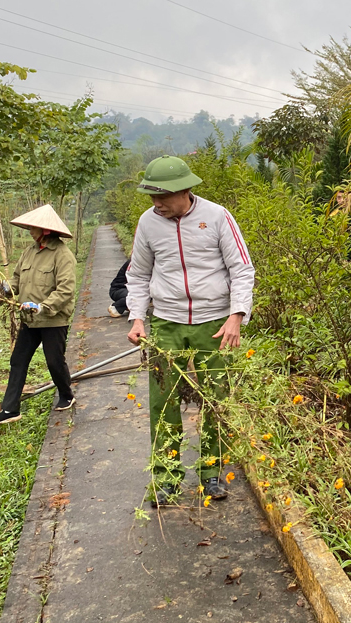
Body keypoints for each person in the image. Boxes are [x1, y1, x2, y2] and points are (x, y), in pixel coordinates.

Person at [126, 155, 255, 507]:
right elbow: (137, 275)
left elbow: (242, 269)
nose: (157, 204)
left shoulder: (216, 217)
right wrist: (137, 318)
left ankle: (212, 472)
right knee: (163, 401)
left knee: (217, 398)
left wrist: (236, 315)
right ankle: (166, 477)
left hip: (214, 324)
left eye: (162, 196)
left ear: (184, 190)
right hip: (166, 322)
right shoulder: (147, 223)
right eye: (152, 197)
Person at [0, 204, 77, 426]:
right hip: (29, 319)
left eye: (33, 227)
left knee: (54, 361)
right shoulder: (29, 252)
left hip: (53, 318)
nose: (29, 230)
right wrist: (3, 289)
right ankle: (10, 409)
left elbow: (65, 290)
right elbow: (17, 279)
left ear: (46, 230)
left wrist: (42, 306)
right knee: (18, 360)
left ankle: (66, 395)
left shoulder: (63, 255)